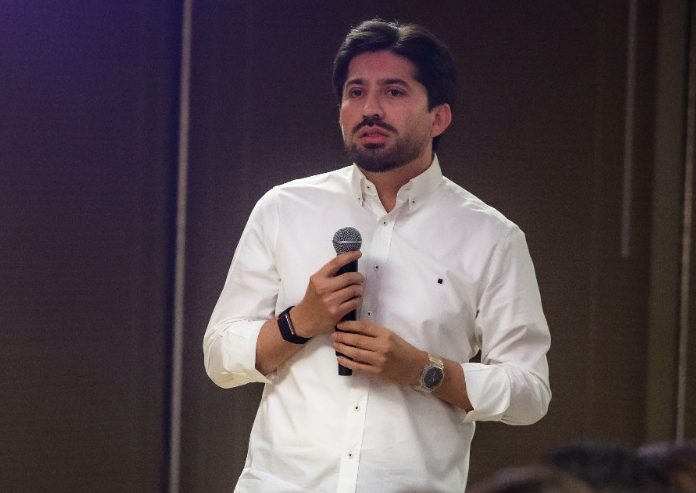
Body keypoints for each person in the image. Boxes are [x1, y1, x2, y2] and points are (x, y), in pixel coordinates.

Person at [203, 18, 551, 493]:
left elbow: (530, 392)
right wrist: (298, 322)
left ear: (439, 118)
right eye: (355, 92)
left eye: (393, 92)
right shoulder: (284, 209)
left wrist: (424, 371)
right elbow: (220, 356)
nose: (369, 109)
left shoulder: (491, 237)